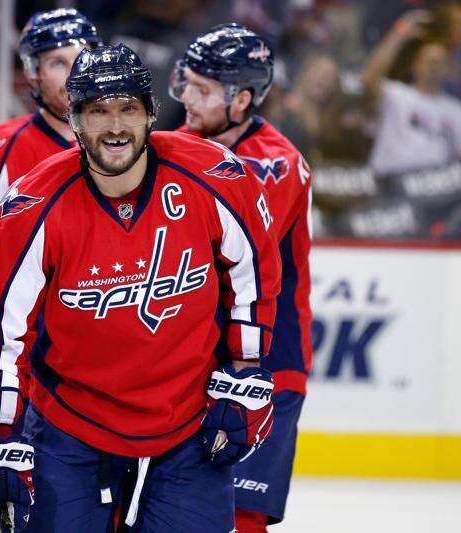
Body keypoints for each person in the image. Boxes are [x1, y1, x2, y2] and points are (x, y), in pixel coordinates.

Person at [0, 43, 281, 533]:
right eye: (98, 111)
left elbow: (253, 275)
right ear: (74, 120)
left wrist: (247, 367)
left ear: (151, 113)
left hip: (189, 423)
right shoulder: (32, 204)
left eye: (128, 108)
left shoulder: (215, 177)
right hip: (70, 426)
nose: (115, 126)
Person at [170, 24, 313, 532]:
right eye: (186, 83)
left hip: (266, 361)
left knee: (242, 515)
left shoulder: (277, 164)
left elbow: (230, 256)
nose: (187, 98)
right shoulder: (177, 145)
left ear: (242, 99)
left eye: (203, 89)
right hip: (193, 359)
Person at [0, 7, 102, 412]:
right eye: (58, 63)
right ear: (32, 74)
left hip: (97, 362)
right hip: (23, 362)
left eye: (82, 58)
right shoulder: (5, 147)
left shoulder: (121, 144)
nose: (74, 73)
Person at [361, 9, 461, 176]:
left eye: (439, 62)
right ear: (415, 65)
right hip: (390, 182)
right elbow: (368, 78)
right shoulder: (396, 95)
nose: (433, 66)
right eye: (429, 61)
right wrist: (401, 31)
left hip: (437, 187)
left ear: (448, 69)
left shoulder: (456, 111)